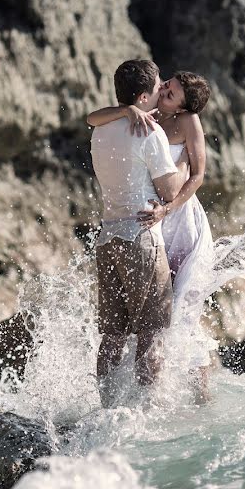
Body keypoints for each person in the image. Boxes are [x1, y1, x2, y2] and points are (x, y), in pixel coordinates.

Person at [87, 71, 214, 401]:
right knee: (149, 322)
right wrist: (127, 110)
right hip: (148, 225)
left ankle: (199, 394)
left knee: (182, 311)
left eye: (171, 93)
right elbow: (93, 117)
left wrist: (167, 209)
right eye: (166, 85)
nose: (164, 91)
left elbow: (196, 177)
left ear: (183, 106)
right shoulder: (147, 116)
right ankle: (140, 396)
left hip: (178, 218)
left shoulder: (188, 123)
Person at [89, 60, 179, 407]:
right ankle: (145, 415)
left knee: (112, 335)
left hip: (107, 238)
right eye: (158, 87)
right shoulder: (151, 133)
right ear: (144, 96)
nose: (162, 91)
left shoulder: (102, 129)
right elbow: (169, 192)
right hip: (140, 239)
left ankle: (107, 408)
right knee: (152, 333)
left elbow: (92, 117)